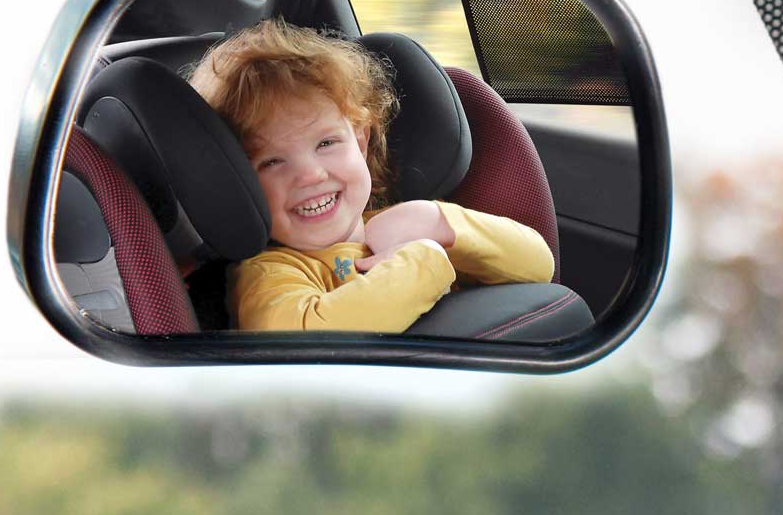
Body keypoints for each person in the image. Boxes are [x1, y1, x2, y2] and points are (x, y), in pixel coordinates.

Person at [187, 19, 554, 332]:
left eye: (327, 143)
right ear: (236, 182)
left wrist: (439, 223)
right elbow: (309, 337)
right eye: (271, 162)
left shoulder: (411, 222)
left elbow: (539, 267)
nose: (311, 175)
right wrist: (424, 259)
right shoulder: (268, 273)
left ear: (361, 141)